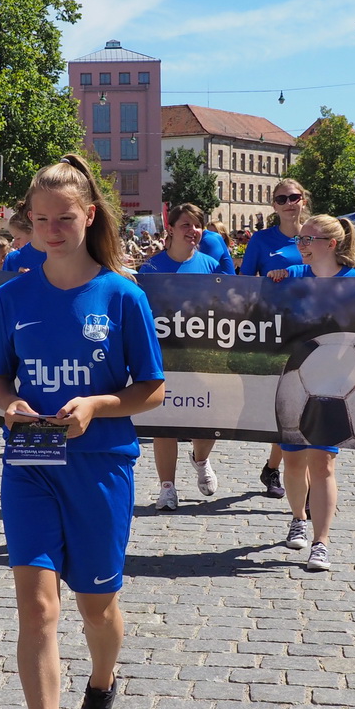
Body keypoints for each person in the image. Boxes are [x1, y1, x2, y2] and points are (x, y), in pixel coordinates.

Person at [0, 154, 165, 709]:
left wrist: (96, 405)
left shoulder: (123, 295)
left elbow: (151, 388)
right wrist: (9, 404)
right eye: (41, 219)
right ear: (28, 224)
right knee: (38, 608)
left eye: (66, 217)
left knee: (97, 606)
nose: (54, 228)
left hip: (101, 463)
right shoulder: (14, 294)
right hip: (30, 462)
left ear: (90, 216)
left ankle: (103, 682)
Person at [274, 214, 355, 573]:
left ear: (331, 244)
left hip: (335, 386)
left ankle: (320, 542)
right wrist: (270, 282)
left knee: (322, 462)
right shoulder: (293, 277)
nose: (302, 246)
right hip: (296, 381)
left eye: (309, 240)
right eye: (300, 240)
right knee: (293, 461)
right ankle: (298, 517)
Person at [138, 203, 220, 510]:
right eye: (186, 224)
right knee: (164, 423)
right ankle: (167, 488)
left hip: (201, 356)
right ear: (170, 229)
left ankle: (201, 459)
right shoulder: (152, 269)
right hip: (164, 356)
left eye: (198, 225)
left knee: (208, 418)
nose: (193, 230)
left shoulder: (211, 266)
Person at [241, 179, 310, 498]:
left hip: (315, 326)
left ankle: (282, 471)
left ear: (303, 199)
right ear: (273, 205)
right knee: (286, 404)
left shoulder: (317, 233)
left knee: (307, 404)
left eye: (293, 197)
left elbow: (343, 270)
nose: (288, 203)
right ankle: (276, 469)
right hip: (275, 329)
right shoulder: (261, 239)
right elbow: (244, 284)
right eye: (281, 198)